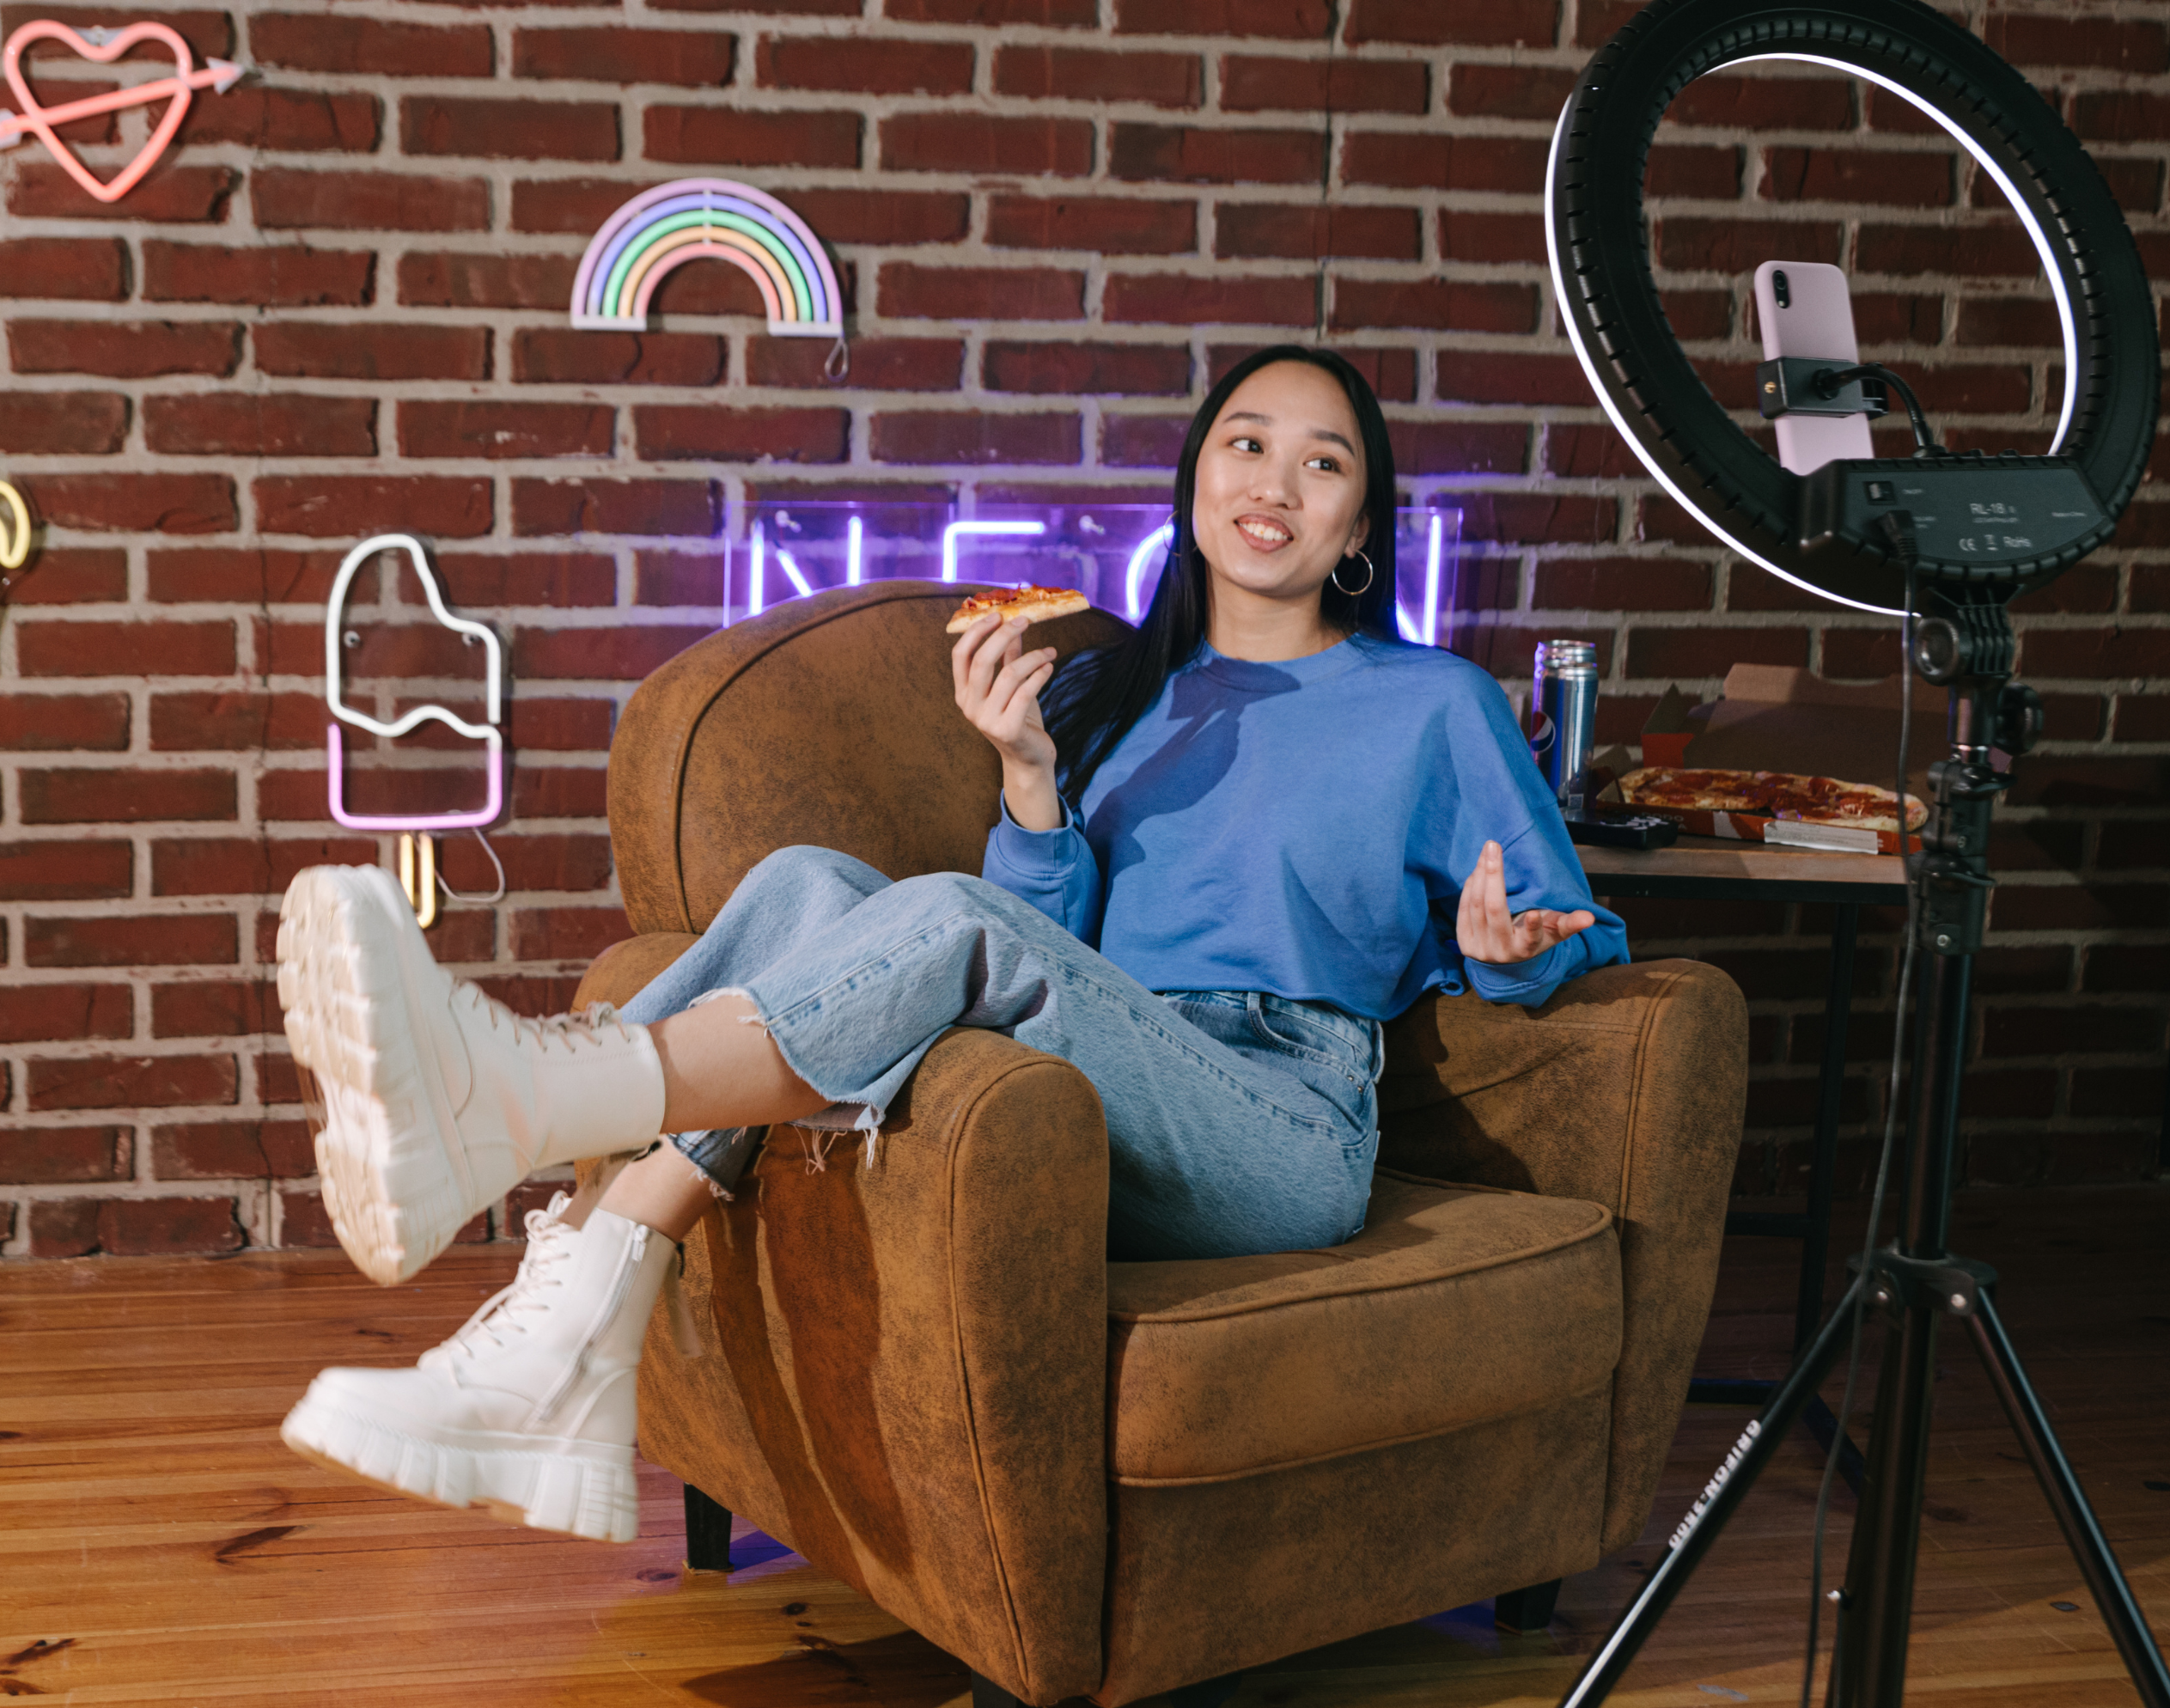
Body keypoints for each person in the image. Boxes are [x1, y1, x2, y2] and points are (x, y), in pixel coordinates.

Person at [271, 344, 1628, 1546]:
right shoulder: (1122, 700)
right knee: (807, 881)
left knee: (942, 916)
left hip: (1279, 1124)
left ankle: (526, 1109)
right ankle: (575, 1318)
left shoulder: (1431, 703)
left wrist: (1503, 947)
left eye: (1320, 461)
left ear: (1355, 530)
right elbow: (1044, 947)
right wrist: (1031, 780)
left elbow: (1579, 930)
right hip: (1102, 1094)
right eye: (1245, 443)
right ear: (1196, 485)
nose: (1275, 479)